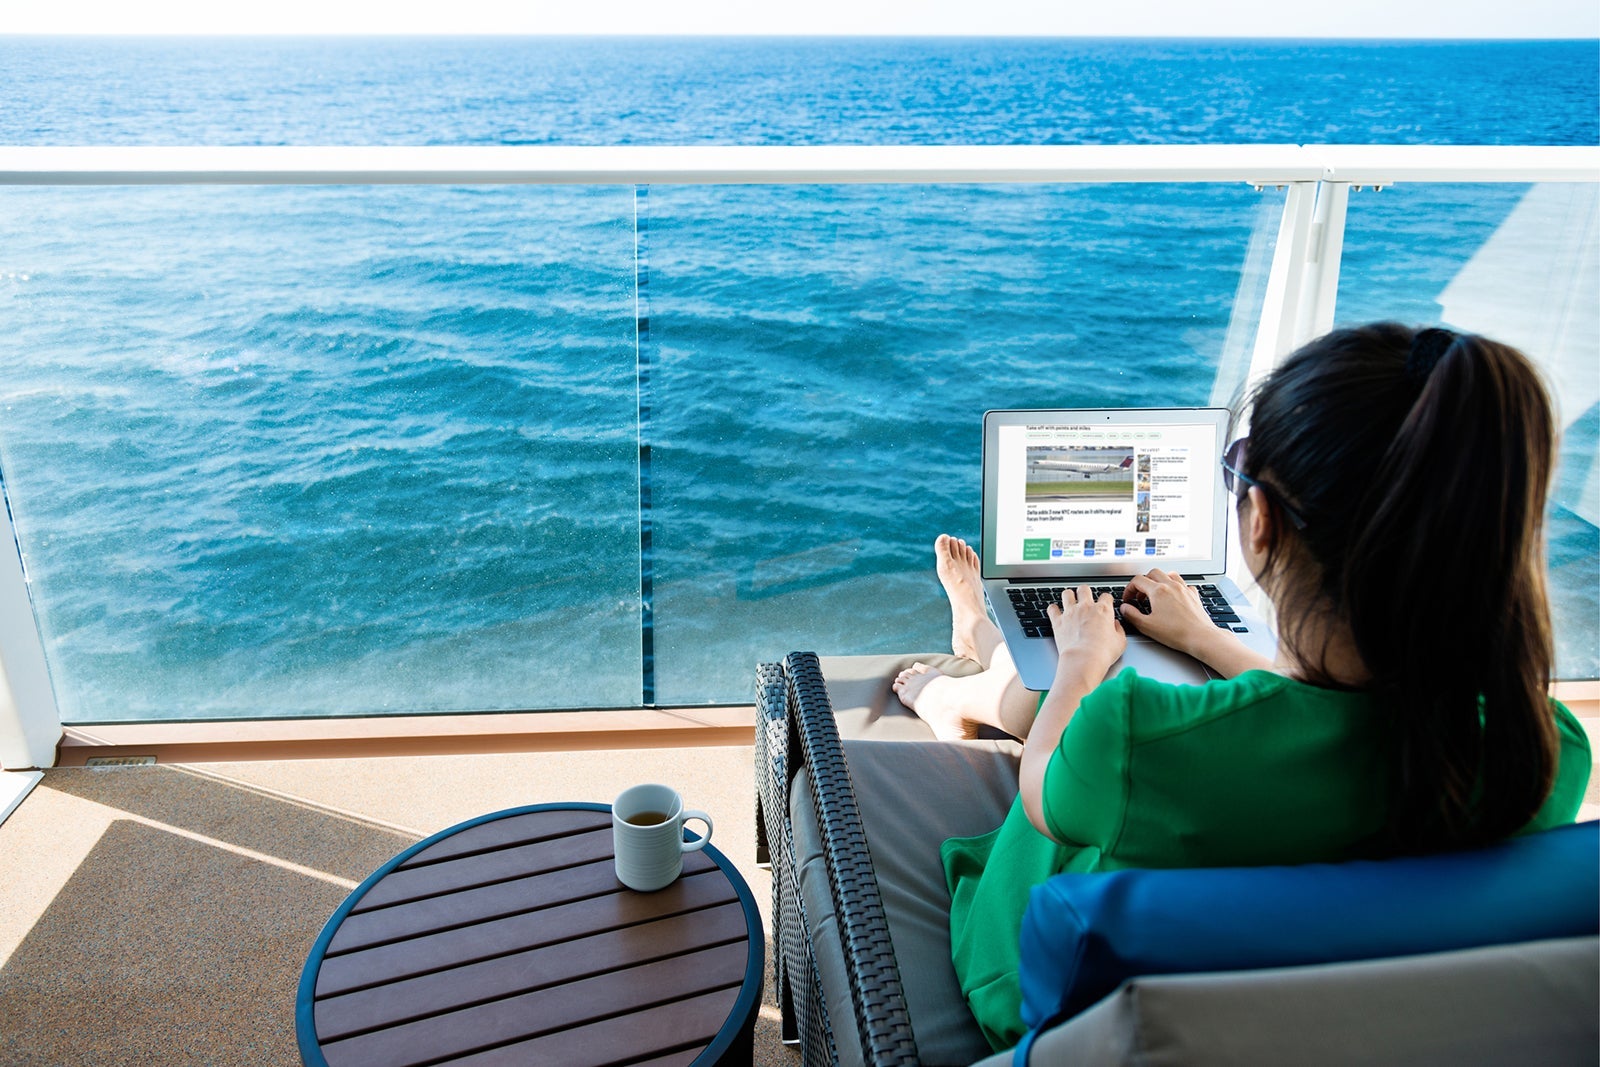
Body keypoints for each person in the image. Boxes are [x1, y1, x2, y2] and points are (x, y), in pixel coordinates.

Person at [892, 322, 1594, 1051]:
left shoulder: (1134, 734)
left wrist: (1077, 665)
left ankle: (964, 669)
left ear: (1259, 522)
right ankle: (976, 644)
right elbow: (1333, 722)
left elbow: (1039, 789)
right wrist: (1204, 638)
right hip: (1366, 1027)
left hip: (1070, 1001)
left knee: (1061, 697)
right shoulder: (1540, 749)